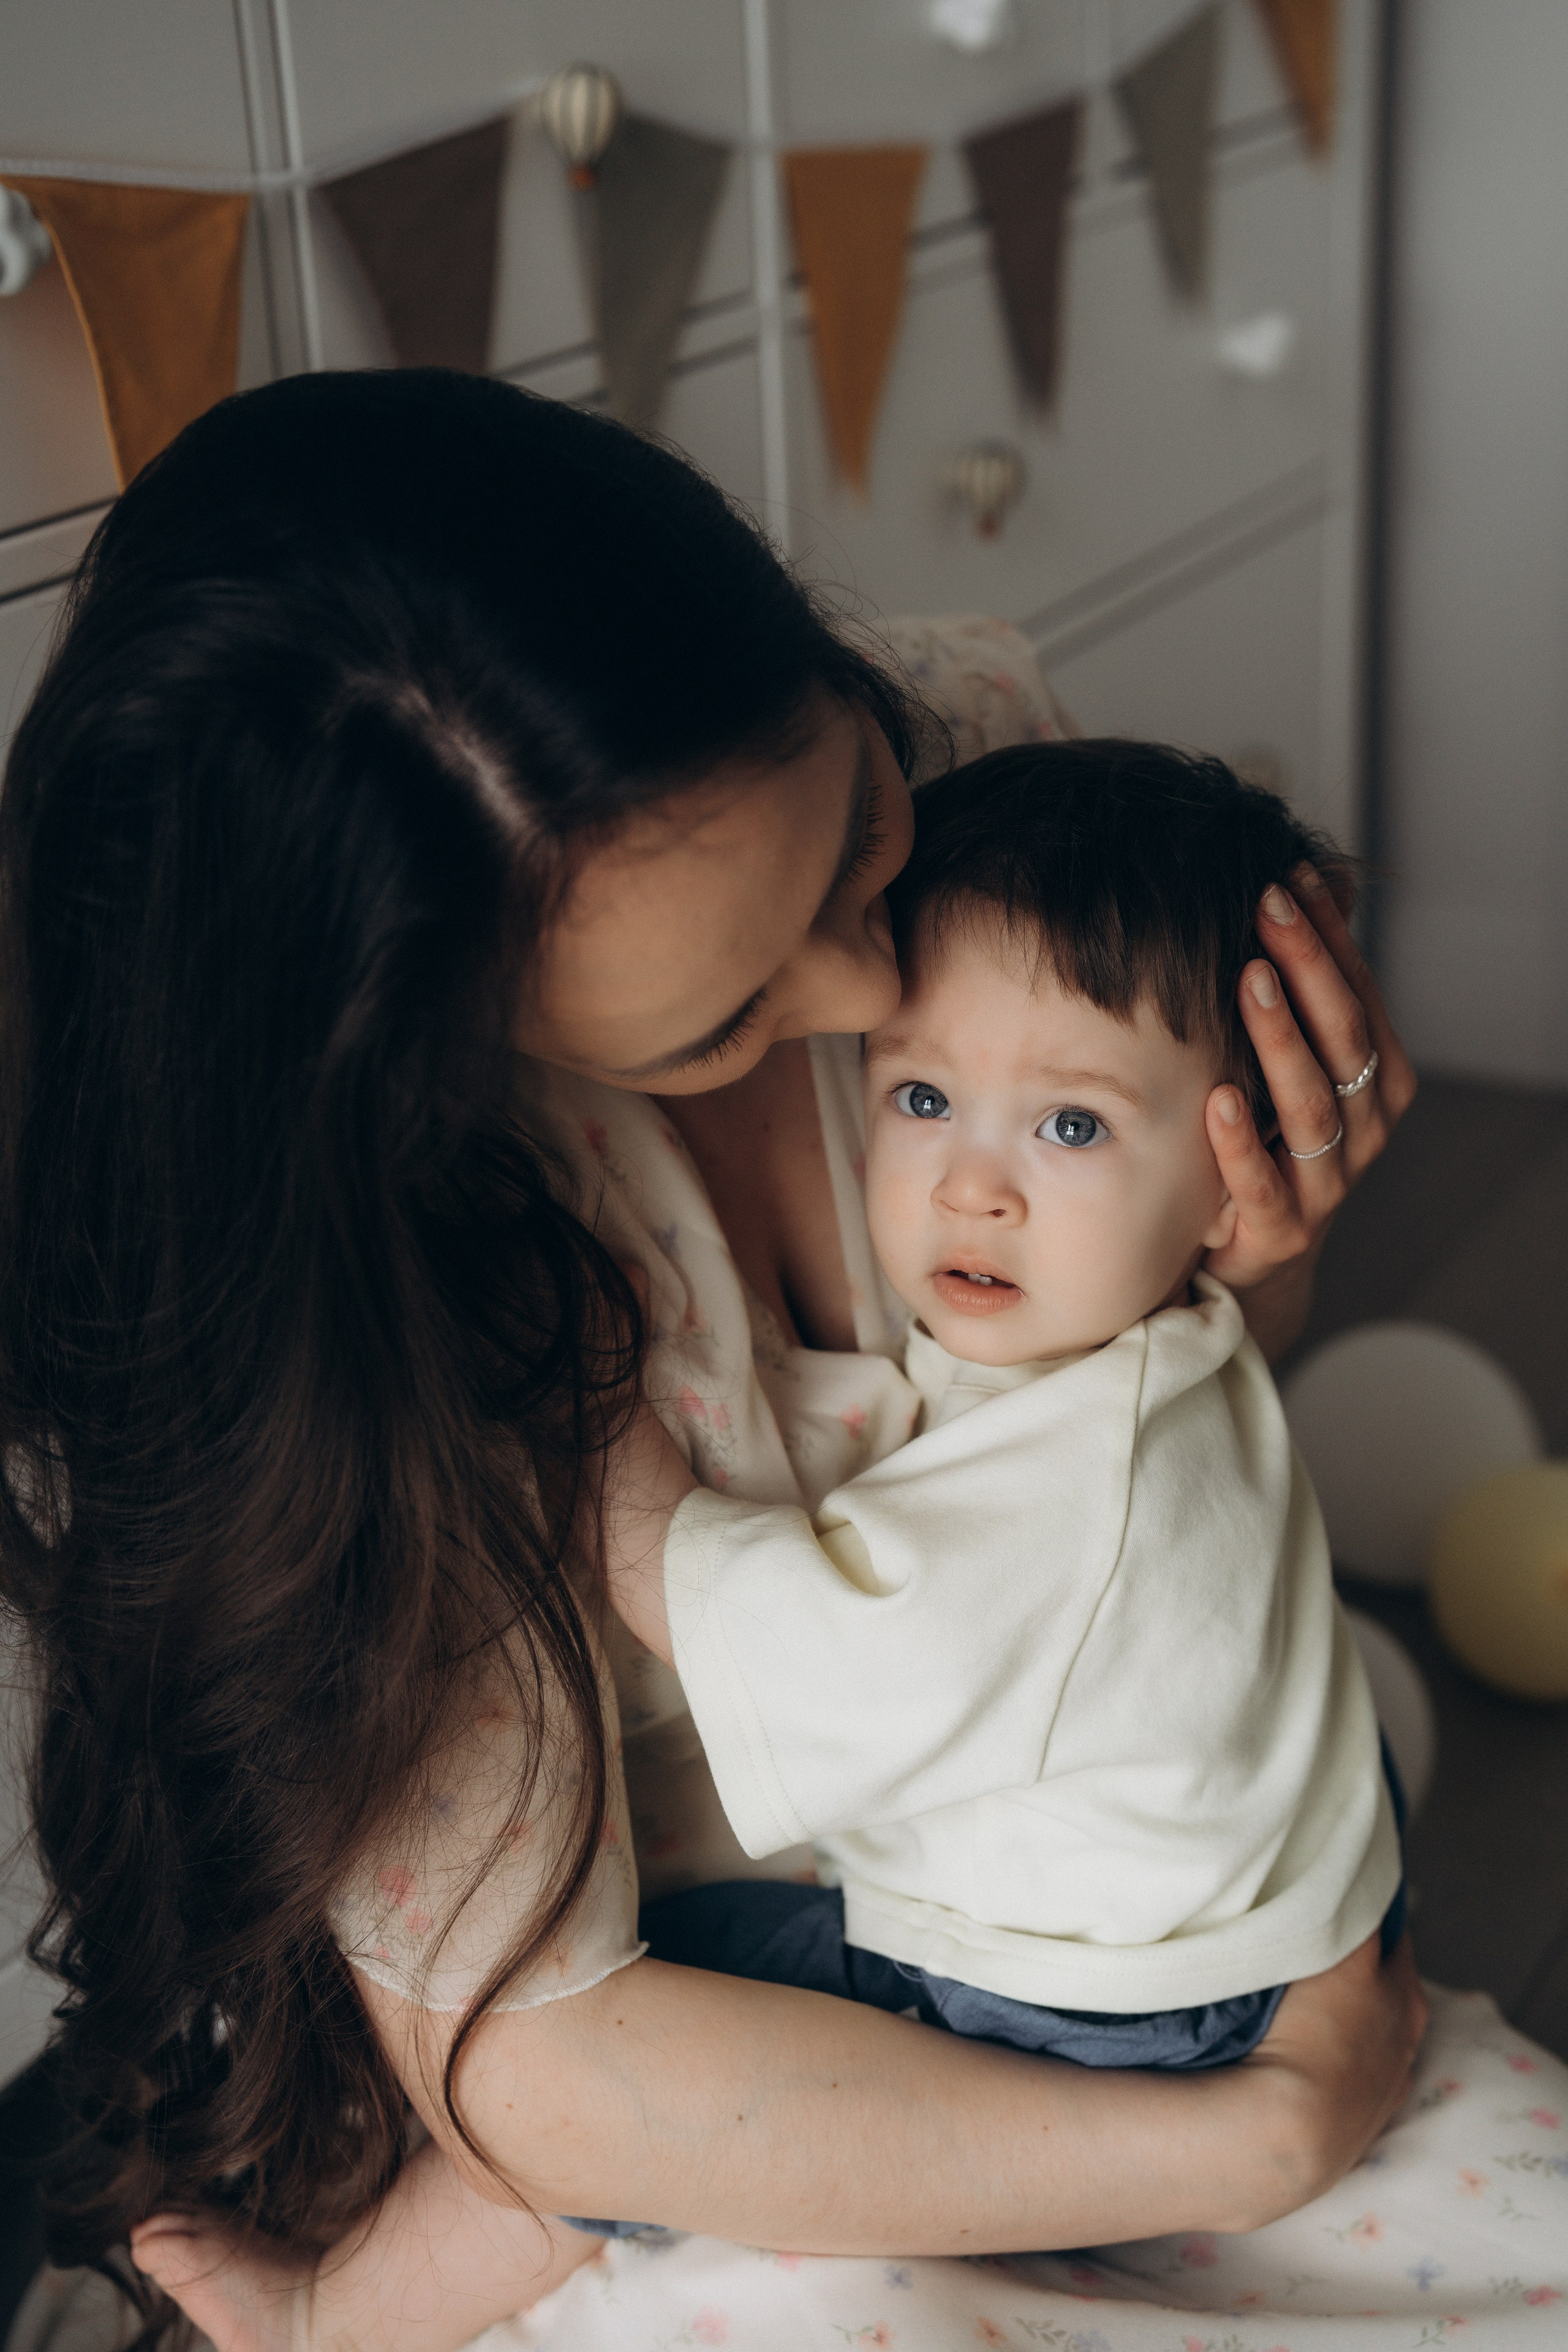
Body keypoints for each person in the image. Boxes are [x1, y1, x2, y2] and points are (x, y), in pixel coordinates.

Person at [0, 371, 1436, 2352]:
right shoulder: (395, 1270)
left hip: (1068, 1866)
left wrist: (1248, 1249)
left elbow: (1165, 1424)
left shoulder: (996, 767)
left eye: (857, 831)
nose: (869, 994)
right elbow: (554, 2075)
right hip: (746, 2040)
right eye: (725, 1021)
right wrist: (1251, 2143)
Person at [600, 741, 1409, 2109]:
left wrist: (607, 1467)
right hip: (1268, 1874)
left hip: (1108, 1994)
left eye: (1072, 1128)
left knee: (665, 2003)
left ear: (1238, 1183)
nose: (973, 1186)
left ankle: (379, 2284)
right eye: (922, 1099)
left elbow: (807, 1653)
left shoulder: (1079, 1480)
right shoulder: (1145, 1324)